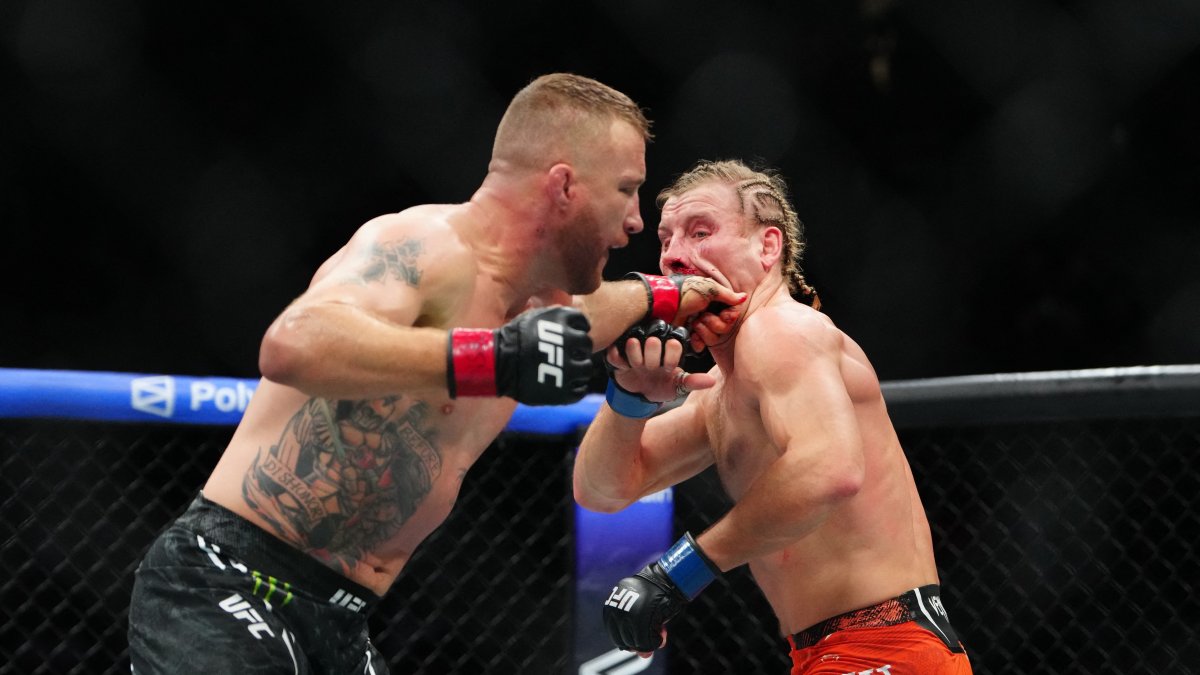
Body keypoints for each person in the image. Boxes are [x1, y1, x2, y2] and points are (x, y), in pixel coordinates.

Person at [127, 74, 745, 674]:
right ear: (564, 186)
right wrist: (491, 358)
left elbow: (590, 311)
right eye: (626, 190)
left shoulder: (545, 303)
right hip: (229, 575)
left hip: (344, 619)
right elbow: (293, 343)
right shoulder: (424, 246)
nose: (635, 220)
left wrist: (668, 294)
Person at [573, 159, 973, 674]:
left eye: (700, 232)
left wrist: (675, 576)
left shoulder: (781, 330)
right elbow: (600, 490)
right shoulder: (720, 392)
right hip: (838, 652)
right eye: (666, 239)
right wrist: (629, 396)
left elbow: (829, 470)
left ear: (767, 247)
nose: (673, 256)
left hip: (883, 647)